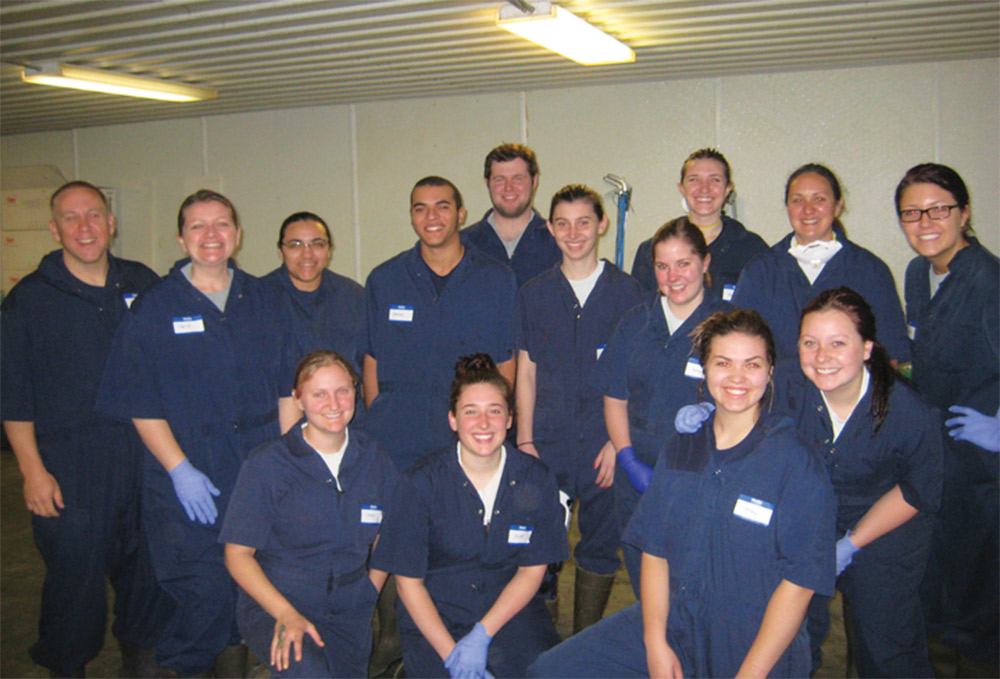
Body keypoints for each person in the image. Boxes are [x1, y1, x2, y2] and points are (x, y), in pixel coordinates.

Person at [529, 309, 836, 678]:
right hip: (676, 621)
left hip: (753, 639)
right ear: (704, 369)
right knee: (552, 671)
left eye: (752, 364)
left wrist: (751, 673)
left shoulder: (795, 463)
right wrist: (655, 642)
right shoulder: (682, 447)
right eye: (723, 363)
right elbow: (655, 550)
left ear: (770, 371)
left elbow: (799, 584)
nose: (737, 377)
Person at [96, 189, 300, 677]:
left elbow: (288, 390)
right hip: (187, 477)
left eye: (221, 224)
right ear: (181, 237)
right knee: (201, 594)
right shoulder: (154, 307)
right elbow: (139, 401)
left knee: (248, 589)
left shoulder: (267, 299)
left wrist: (289, 463)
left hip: (255, 467)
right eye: (198, 226)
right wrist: (179, 470)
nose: (211, 235)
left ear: (238, 233)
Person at [1, 181, 166, 678]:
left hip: (141, 457)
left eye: (93, 214)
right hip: (70, 467)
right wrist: (33, 472)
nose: (84, 227)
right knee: (75, 582)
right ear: (55, 230)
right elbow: (14, 395)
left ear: (111, 222)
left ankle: (142, 662)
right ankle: (66, 665)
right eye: (70, 218)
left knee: (148, 574)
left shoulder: (142, 282)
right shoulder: (28, 300)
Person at [371, 353, 567, 678]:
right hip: (435, 614)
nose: (483, 423)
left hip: (509, 613)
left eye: (495, 411)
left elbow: (532, 571)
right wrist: (453, 657)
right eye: (471, 411)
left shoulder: (537, 478)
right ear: (453, 420)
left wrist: (482, 634)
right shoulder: (420, 482)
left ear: (510, 419)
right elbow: (408, 584)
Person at [786, 287, 942, 677]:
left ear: (867, 348)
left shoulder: (908, 413)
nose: (822, 357)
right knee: (791, 629)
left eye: (838, 343)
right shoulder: (790, 389)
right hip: (815, 522)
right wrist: (705, 411)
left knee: (885, 642)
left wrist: (851, 544)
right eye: (810, 343)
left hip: (887, 528)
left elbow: (916, 491)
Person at [220, 350, 398, 678]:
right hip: (279, 603)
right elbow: (237, 555)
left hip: (349, 609)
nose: (334, 403)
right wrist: (284, 612)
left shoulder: (375, 459)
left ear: (356, 392)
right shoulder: (268, 465)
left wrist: (368, 591)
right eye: (319, 394)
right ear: (298, 399)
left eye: (342, 391)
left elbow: (388, 536)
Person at [516, 185, 643, 632]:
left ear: (602, 225)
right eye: (563, 224)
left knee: (601, 545)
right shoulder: (534, 293)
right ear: (550, 229)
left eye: (584, 222)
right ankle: (543, 639)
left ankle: (583, 641)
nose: (574, 234)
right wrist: (525, 441)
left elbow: (637, 377)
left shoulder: (628, 293)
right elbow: (526, 372)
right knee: (538, 543)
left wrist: (618, 443)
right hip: (546, 443)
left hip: (602, 444)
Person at [895, 163, 999, 672]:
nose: (925, 222)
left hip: (983, 470)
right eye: (911, 213)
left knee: (980, 603)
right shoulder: (919, 275)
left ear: (964, 213)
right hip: (938, 460)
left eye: (938, 209)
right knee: (937, 591)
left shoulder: (989, 281)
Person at [591, 216, 731, 593]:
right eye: (662, 266)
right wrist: (627, 458)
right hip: (636, 480)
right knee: (645, 585)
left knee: (694, 587)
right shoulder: (636, 322)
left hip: (699, 478)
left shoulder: (728, 325)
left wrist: (712, 412)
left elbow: (751, 400)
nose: (673, 276)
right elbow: (615, 396)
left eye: (684, 263)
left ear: (705, 262)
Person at [363, 176, 517, 473]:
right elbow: (371, 360)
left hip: (466, 440)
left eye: (442, 207)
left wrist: (490, 425)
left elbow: (506, 363)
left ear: (461, 214)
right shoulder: (384, 280)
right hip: (395, 440)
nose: (431, 216)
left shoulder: (497, 280)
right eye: (420, 209)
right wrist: (380, 421)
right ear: (411, 216)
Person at [732, 163, 910, 362]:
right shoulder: (760, 271)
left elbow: (892, 352)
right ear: (788, 207)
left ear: (838, 206)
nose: (808, 210)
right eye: (798, 200)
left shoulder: (871, 270)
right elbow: (737, 347)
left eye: (819, 199)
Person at [263, 211, 367, 425]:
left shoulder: (352, 296)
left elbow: (369, 365)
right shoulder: (259, 298)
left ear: (329, 250)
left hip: (347, 421)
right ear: (280, 251)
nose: (307, 254)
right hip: (281, 424)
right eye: (295, 245)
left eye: (317, 244)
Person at [631, 147, 768, 300]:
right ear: (682, 188)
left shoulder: (752, 250)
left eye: (715, 180)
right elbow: (641, 308)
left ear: (728, 189)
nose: (704, 189)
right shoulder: (651, 251)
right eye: (694, 180)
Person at [462, 143, 561, 287]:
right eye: (500, 179)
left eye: (518, 178)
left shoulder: (559, 243)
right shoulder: (462, 245)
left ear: (534, 181)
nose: (509, 187)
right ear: (487, 183)